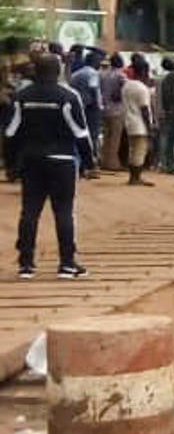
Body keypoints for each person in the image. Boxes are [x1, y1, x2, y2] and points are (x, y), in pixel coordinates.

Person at [8, 55, 93, 278]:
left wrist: (11, 164)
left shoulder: (21, 96)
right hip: (62, 161)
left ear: (36, 71)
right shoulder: (67, 96)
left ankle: (26, 264)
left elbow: (10, 133)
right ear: (58, 71)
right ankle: (67, 264)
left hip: (31, 161)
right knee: (64, 212)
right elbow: (81, 133)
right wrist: (88, 163)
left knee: (29, 212)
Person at [120, 55, 156, 187]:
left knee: (133, 150)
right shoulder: (142, 88)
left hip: (129, 121)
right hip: (140, 124)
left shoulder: (127, 86)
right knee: (140, 151)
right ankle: (136, 178)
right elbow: (145, 109)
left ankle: (133, 176)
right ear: (144, 72)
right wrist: (150, 127)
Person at [99, 52, 126, 172]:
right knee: (115, 138)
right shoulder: (121, 76)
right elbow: (123, 90)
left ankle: (104, 161)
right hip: (117, 110)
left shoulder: (102, 75)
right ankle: (113, 163)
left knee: (106, 137)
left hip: (104, 109)